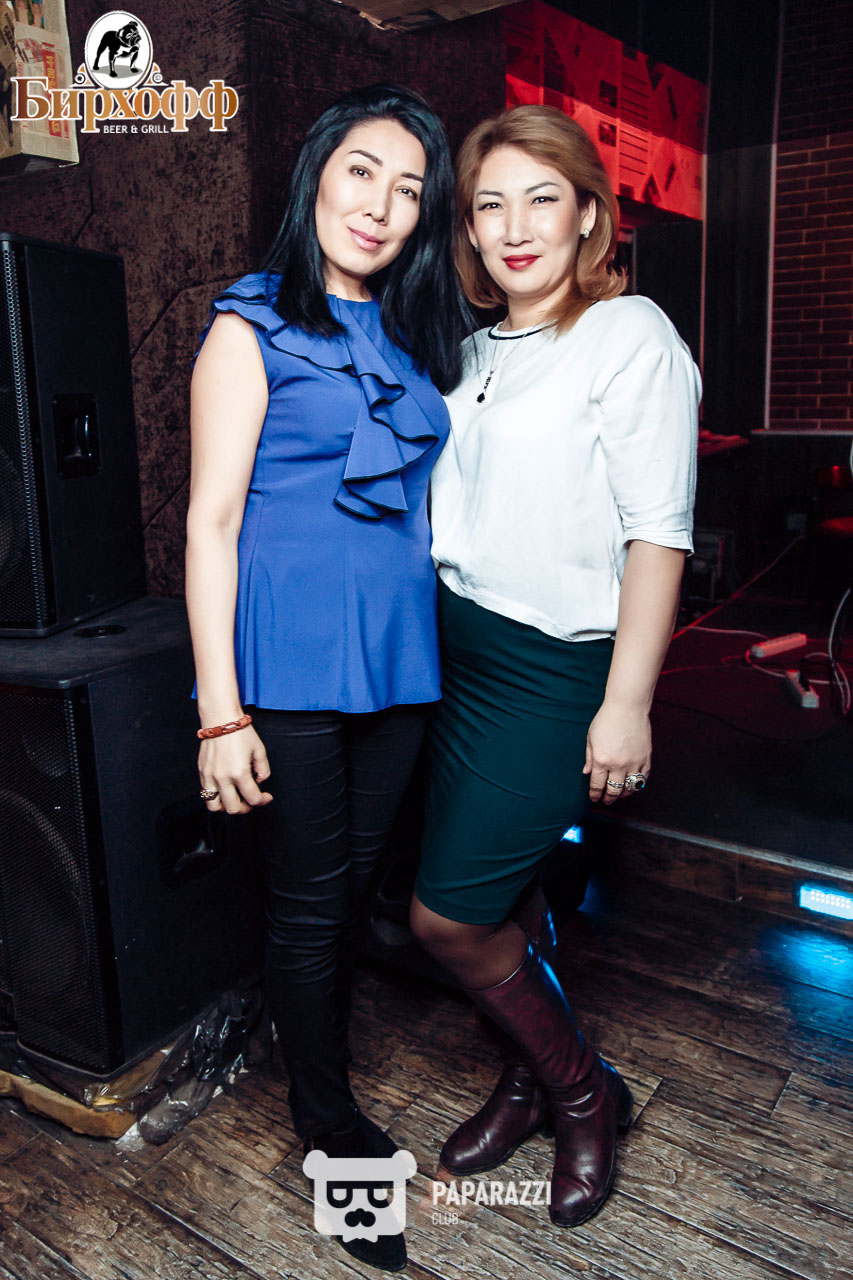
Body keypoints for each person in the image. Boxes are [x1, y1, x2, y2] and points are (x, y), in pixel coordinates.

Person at [185, 83, 468, 1273]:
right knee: (309, 906)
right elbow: (209, 523)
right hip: (291, 662)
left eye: (408, 189)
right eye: (362, 171)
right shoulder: (248, 326)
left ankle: (306, 1050)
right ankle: (333, 1131)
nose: (381, 205)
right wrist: (219, 714)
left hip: (399, 662)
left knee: (346, 895)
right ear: (316, 174)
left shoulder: (415, 337)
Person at [410, 105, 700, 1229]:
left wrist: (626, 704)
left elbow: (658, 533)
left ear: (588, 213)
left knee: (447, 918)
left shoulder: (628, 335)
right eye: (489, 205)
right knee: (507, 890)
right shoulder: (472, 350)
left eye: (542, 198)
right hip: (454, 655)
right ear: (468, 230)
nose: (514, 227)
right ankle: (528, 1077)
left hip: (550, 669)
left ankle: (584, 1092)